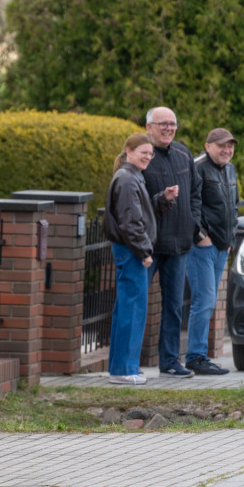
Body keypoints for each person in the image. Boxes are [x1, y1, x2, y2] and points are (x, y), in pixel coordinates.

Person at [140, 106, 202, 379]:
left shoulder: (183, 153)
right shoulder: (143, 156)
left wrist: (193, 223)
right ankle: (128, 363)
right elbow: (135, 200)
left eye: (172, 124)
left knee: (174, 307)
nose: (168, 128)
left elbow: (196, 192)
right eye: (162, 123)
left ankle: (169, 362)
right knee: (136, 303)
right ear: (148, 127)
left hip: (178, 245)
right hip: (148, 246)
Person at [104, 133, 158, 385]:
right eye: (143, 152)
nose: (148, 157)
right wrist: (144, 251)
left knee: (127, 307)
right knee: (132, 308)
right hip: (131, 250)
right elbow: (130, 221)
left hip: (128, 249)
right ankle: (124, 370)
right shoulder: (127, 179)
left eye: (150, 153)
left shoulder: (130, 176)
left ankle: (122, 367)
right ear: (128, 151)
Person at [185, 128, 238, 375]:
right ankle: (196, 357)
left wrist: (230, 239)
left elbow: (233, 206)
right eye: (221, 146)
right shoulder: (197, 167)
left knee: (209, 301)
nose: (226, 150)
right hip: (202, 247)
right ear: (208, 146)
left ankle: (200, 356)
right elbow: (188, 205)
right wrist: (200, 236)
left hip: (221, 248)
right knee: (204, 301)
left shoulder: (230, 169)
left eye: (230, 146)